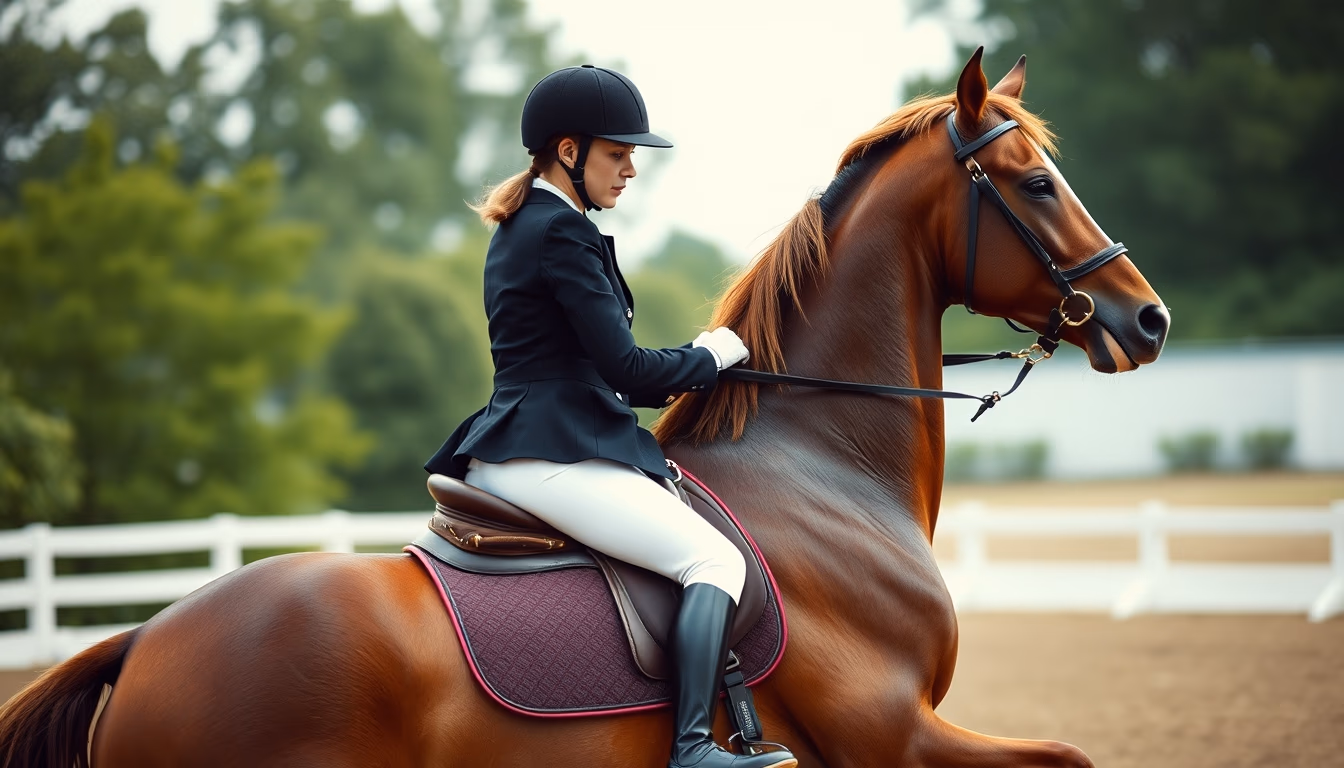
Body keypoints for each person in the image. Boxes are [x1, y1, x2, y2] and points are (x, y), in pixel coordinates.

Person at [424, 65, 797, 768]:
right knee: (712, 558)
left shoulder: (533, 223)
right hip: (551, 452)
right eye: (617, 154)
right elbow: (627, 373)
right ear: (568, 152)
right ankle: (691, 748)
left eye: (633, 157)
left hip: (539, 440)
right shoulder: (558, 232)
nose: (631, 170)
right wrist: (711, 356)